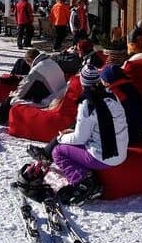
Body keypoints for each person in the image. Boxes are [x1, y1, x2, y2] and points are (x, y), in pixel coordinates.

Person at [52, 64, 129, 205]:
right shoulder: (112, 95)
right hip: (121, 151)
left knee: (58, 151)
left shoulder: (88, 104)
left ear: (82, 82)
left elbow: (80, 138)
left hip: (103, 157)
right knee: (76, 140)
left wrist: (61, 138)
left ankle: (83, 183)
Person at [0, 49, 68, 124]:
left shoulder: (36, 69)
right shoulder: (50, 61)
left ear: (30, 60)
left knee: (12, 99)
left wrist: (14, 94)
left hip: (50, 98)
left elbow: (23, 90)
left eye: (27, 63)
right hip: (59, 91)